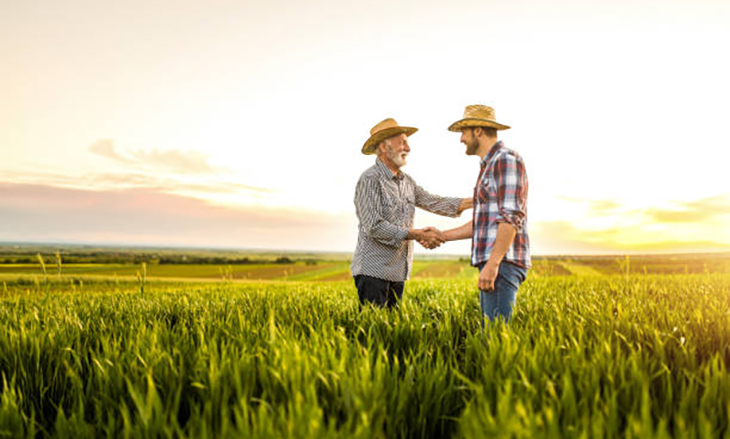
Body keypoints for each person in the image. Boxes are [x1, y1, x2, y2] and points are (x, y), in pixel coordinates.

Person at [351, 117, 472, 309]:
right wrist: (416, 234)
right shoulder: (370, 180)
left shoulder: (407, 181)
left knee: (392, 333)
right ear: (383, 147)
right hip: (372, 271)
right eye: (403, 143)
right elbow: (374, 226)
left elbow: (433, 201)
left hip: (398, 271)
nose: (408, 148)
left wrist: (475, 200)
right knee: (374, 333)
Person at [441, 105, 531, 323]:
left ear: (478, 131)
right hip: (496, 263)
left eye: (464, 132)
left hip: (502, 264)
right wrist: (442, 236)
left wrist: (493, 263)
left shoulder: (505, 159)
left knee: (495, 339)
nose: (461, 139)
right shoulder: (489, 166)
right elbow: (482, 224)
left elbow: (510, 216)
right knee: (490, 338)